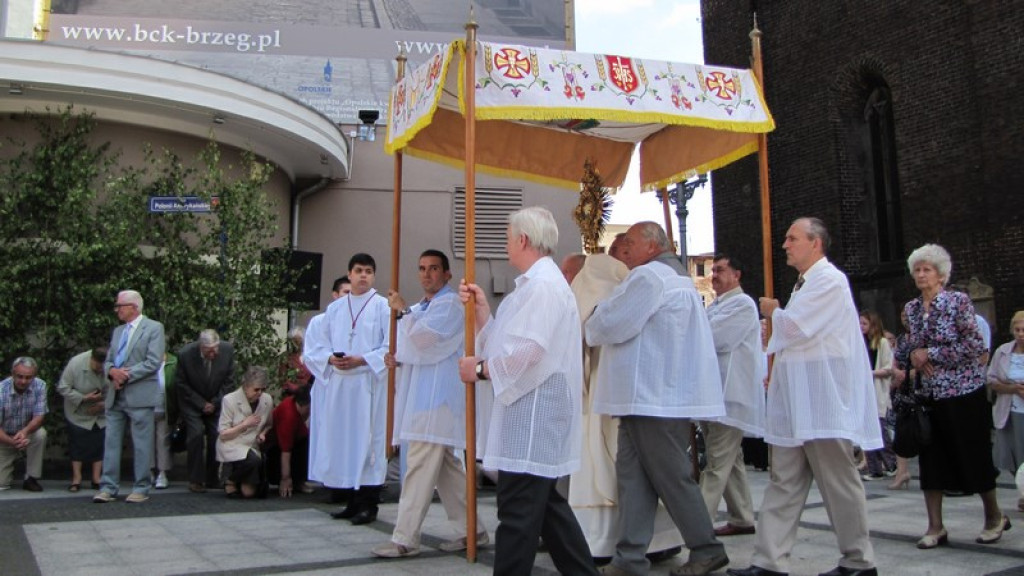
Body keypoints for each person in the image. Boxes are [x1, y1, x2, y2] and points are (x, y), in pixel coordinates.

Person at [728, 217, 881, 576]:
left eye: (792, 238)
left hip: (822, 401)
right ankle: (768, 560)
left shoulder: (829, 280)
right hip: (797, 402)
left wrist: (772, 313)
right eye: (784, 238)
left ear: (816, 243)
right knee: (785, 481)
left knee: (838, 482)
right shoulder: (805, 284)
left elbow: (795, 328)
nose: (785, 244)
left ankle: (859, 560)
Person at [458, 206, 598, 576]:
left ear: (522, 239)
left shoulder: (542, 287)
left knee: (518, 516)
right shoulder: (536, 285)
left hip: (533, 418)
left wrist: (480, 369)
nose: (506, 243)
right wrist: (483, 311)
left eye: (508, 237)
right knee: (549, 512)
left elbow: (526, 352)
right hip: (532, 415)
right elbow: (506, 341)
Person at [586, 221, 728, 576]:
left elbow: (612, 322)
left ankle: (706, 548)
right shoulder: (674, 279)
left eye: (630, 242)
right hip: (646, 399)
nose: (625, 249)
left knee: (670, 476)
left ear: (652, 246)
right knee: (633, 479)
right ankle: (629, 557)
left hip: (652, 398)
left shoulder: (650, 278)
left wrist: (592, 317)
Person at [567, 249, 684, 562]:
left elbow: (586, 335)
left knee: (624, 470)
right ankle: (657, 540)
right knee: (640, 472)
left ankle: (604, 543)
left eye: (570, 276)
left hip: (605, 398)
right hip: (630, 395)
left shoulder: (596, 283)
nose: (569, 282)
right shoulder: (628, 285)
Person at [893, 244, 1008, 548]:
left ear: (941, 275)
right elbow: (905, 349)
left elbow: (974, 346)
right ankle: (935, 526)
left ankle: (994, 516)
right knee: (933, 460)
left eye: (926, 269)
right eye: (917, 269)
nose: (920, 274)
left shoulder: (958, 302)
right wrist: (911, 353)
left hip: (963, 391)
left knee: (973, 454)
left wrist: (929, 353)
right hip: (930, 396)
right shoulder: (912, 309)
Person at [372, 249, 485, 558]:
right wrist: (396, 356)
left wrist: (403, 314)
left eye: (434, 268)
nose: (426, 274)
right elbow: (412, 347)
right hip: (424, 397)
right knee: (447, 472)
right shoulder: (424, 306)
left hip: (437, 399)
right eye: (422, 268)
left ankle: (404, 538)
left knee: (419, 468)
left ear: (447, 274)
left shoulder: (450, 304)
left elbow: (425, 342)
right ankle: (472, 530)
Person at [304, 253, 390, 525]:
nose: (363, 275)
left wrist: (362, 359)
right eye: (358, 270)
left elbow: (390, 348)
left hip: (368, 384)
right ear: (349, 274)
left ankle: (369, 504)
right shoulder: (336, 310)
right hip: (341, 386)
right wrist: (331, 358)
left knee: (368, 443)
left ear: (373, 276)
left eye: (368, 271)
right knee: (346, 443)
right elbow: (317, 347)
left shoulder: (382, 307)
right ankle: (351, 501)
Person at [701, 254, 765, 537]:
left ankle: (696, 525)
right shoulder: (716, 305)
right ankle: (742, 516)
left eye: (721, 270)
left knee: (716, 462)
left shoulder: (742, 304)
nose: (714, 274)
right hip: (713, 393)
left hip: (730, 395)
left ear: (737, 275)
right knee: (731, 459)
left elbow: (714, 338)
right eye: (713, 270)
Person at [95, 290, 165, 504]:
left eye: (120, 306)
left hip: (139, 394)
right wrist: (111, 372)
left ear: (133, 307)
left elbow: (153, 362)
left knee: (142, 443)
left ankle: (141, 487)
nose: (117, 309)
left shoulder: (154, 328)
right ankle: (108, 486)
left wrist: (125, 375)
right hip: (116, 395)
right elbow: (108, 360)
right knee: (111, 442)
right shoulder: (118, 331)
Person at [175, 329, 236, 493]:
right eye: (209, 350)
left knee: (216, 435)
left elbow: (229, 382)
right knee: (195, 434)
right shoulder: (185, 355)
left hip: (216, 400)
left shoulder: (227, 350)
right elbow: (181, 384)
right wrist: (201, 403)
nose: (213, 353)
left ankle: (213, 478)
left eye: (215, 349)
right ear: (201, 347)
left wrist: (214, 403)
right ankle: (195, 479)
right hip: (192, 402)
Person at [216, 366, 273, 498]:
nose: (260, 393)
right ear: (245, 386)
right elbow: (223, 433)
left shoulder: (267, 400)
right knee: (253, 461)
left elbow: (269, 424)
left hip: (253, 445)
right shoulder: (229, 400)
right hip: (233, 443)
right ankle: (230, 479)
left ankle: (237, 480)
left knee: (251, 493)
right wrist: (244, 425)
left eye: (263, 389)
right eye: (256, 389)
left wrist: (262, 433)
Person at [56, 347, 108, 492]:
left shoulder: (112, 365)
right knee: (77, 443)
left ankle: (97, 478)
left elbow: (117, 390)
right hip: (78, 410)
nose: (99, 369)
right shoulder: (76, 363)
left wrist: (104, 404)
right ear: (91, 359)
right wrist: (84, 398)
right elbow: (63, 387)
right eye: (97, 366)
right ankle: (76, 478)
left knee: (100, 442)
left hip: (101, 411)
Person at [989, 310, 1024, 514]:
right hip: (1007, 410)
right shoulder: (1003, 351)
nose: (1020, 334)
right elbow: (991, 379)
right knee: (1010, 455)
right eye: (1017, 330)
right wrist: (1011, 389)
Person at [0, 357, 48, 492]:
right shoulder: (1, 390)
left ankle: (31, 478)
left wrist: (25, 432)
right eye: (20, 376)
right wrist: (11, 441)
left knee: (40, 434)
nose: (23, 381)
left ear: (34, 376)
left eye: (28, 377)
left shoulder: (40, 385)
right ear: (12, 374)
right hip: (3, 437)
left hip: (26, 434)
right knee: (1, 484)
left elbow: (39, 417)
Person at [859, 310, 896, 481]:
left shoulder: (881, 342)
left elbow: (889, 368)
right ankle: (874, 468)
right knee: (866, 429)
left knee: (880, 429)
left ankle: (891, 463)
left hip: (876, 389)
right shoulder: (860, 343)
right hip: (863, 390)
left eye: (864, 323)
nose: (861, 327)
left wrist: (870, 373)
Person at [266, 385, 312, 497]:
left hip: (297, 438)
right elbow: (285, 451)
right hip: (274, 447)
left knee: (308, 443)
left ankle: (299, 480)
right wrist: (285, 478)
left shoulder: (295, 404)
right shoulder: (289, 417)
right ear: (304, 406)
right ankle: (289, 479)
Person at [279, 327, 312, 396]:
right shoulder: (286, 357)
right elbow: (282, 378)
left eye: (299, 341)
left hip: (309, 394)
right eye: (294, 341)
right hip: (292, 394)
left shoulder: (310, 356)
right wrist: (296, 389)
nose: (296, 344)